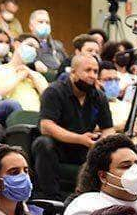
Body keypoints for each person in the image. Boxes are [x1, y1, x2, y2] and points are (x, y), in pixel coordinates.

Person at [32, 53, 114, 199]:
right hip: (59, 147)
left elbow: (108, 128)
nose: (93, 76)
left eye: (95, 71)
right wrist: (80, 139)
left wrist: (102, 143)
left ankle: (96, 200)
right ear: (73, 72)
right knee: (43, 143)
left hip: (85, 148)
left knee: (109, 149)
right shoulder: (54, 91)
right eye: (87, 70)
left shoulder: (99, 96)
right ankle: (50, 199)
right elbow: (46, 126)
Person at [0, 33, 48, 113]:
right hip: (10, 115)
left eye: (36, 49)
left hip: (37, 116)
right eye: (30, 45)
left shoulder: (36, 75)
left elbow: (49, 98)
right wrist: (19, 76)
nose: (33, 50)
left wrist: (31, 75)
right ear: (17, 45)